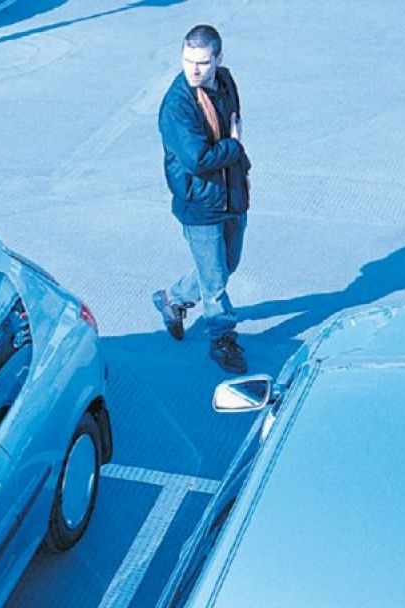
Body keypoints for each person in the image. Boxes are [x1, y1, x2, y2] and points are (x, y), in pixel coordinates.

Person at [153, 24, 251, 373]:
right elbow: (198, 159)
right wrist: (234, 145)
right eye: (187, 60)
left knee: (228, 263)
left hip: (232, 195)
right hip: (201, 205)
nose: (193, 69)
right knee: (215, 282)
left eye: (202, 62)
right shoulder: (177, 106)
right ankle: (222, 339)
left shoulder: (225, 82)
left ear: (218, 59)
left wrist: (233, 155)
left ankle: (173, 300)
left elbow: (232, 119)